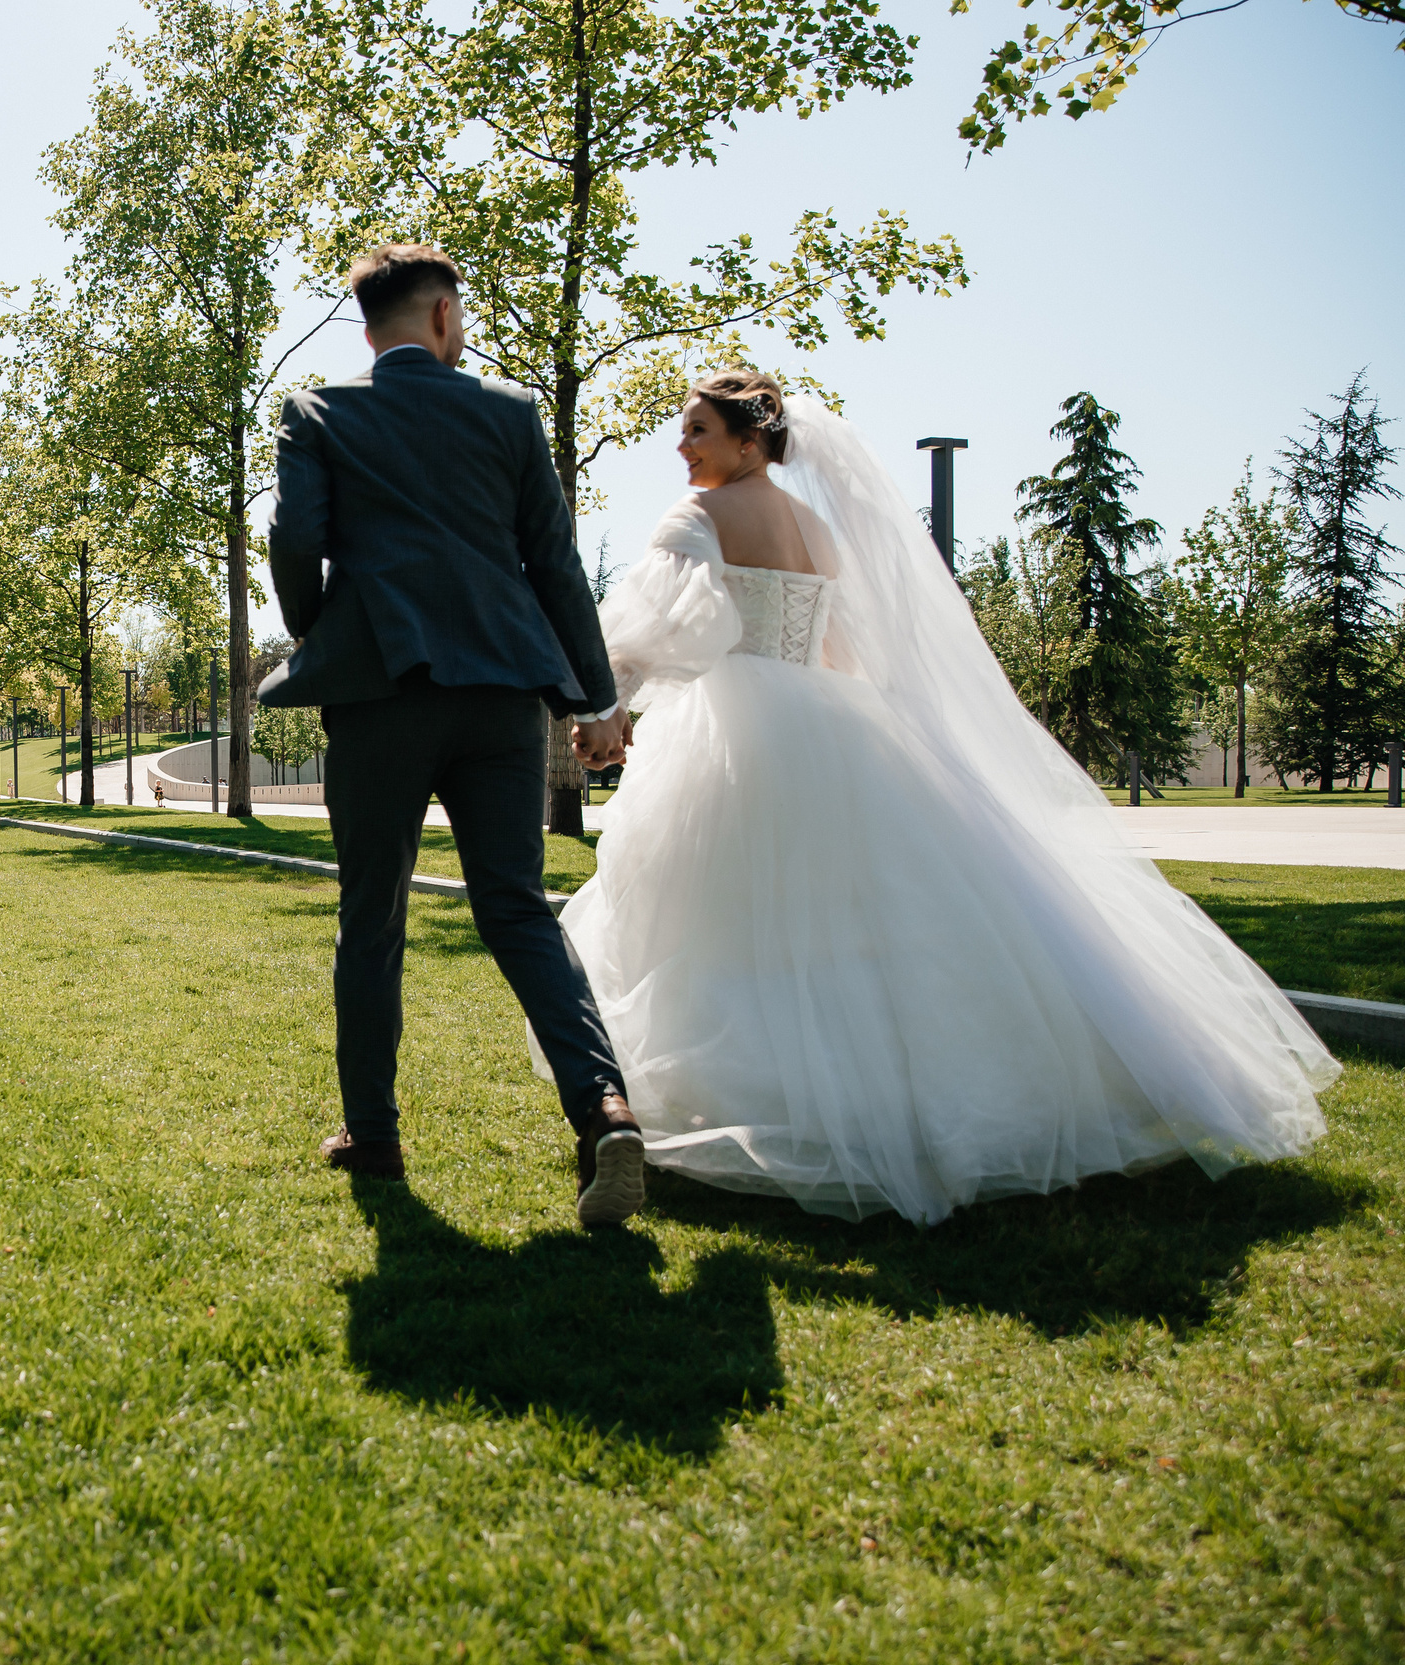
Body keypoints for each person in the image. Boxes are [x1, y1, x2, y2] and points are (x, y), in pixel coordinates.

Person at [551, 370, 1338, 1226]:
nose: (682, 444)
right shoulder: (815, 524)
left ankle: (768, 1104)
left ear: (750, 441)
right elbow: (843, 647)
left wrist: (607, 708)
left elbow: (653, 630)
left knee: (719, 922)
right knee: (857, 924)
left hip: (737, 733)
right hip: (831, 726)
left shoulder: (695, 517)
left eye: (698, 430)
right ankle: (900, 1099)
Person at [259, 243, 649, 1226]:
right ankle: (602, 1110)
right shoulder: (510, 417)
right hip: (502, 694)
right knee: (516, 909)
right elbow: (556, 567)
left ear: (369, 329)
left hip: (381, 690)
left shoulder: (317, 414)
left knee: (372, 915)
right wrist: (592, 701)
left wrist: (325, 634)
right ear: (443, 320)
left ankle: (374, 1136)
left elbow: (293, 542)